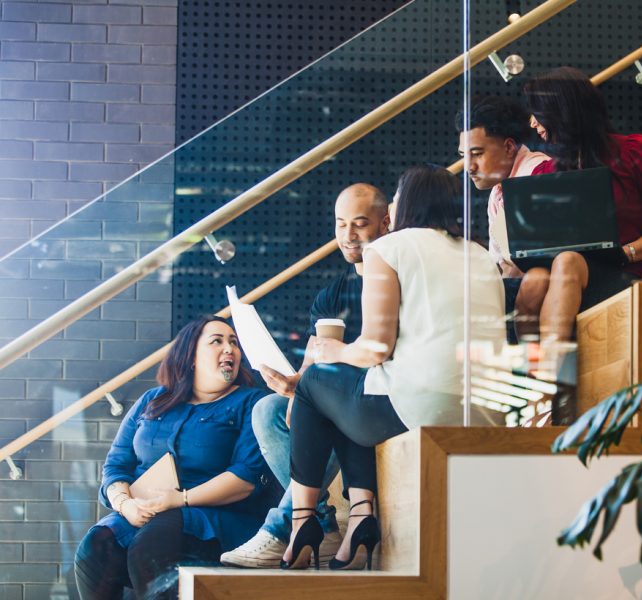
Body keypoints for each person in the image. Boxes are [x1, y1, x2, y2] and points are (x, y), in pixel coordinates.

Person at [282, 165, 505, 571]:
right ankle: (361, 518)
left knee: (316, 384)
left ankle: (302, 522)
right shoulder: (480, 253)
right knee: (356, 392)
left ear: (406, 205)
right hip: (488, 409)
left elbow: (376, 349)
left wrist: (333, 351)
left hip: (424, 404)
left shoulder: (388, 248)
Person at [220, 182, 390, 568]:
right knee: (267, 409)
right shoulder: (330, 296)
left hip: (378, 397)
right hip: (337, 398)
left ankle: (285, 527)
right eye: (340, 224)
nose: (348, 236)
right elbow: (310, 370)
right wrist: (292, 385)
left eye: (359, 224)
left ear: (386, 223)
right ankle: (323, 521)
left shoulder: (391, 281)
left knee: (329, 407)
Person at [74, 316, 270, 599]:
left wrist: (181, 499)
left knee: (153, 542)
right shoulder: (152, 400)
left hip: (215, 520)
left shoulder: (252, 402)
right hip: (145, 512)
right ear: (190, 356)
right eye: (217, 341)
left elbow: (246, 477)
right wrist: (124, 504)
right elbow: (116, 465)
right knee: (97, 544)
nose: (230, 349)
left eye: (234, 343)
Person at [522, 66, 642, 341]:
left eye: (537, 113)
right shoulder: (543, 173)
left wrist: (626, 252)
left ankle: (551, 378)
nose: (532, 123)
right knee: (540, 275)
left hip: (625, 273)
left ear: (561, 112)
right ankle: (538, 373)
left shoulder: (632, 151)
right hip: (565, 281)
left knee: (567, 261)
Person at [456, 96, 553, 341]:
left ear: (509, 147)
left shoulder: (540, 172)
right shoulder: (497, 193)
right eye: (464, 156)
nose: (469, 166)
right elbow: (501, 264)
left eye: (476, 154)